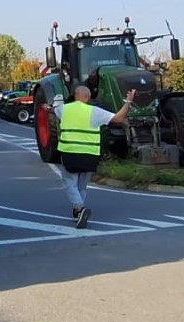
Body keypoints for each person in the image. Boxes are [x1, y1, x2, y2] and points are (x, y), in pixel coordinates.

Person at [51, 85, 136, 228]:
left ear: (75, 95)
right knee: (82, 186)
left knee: (69, 183)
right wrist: (128, 102)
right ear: (88, 97)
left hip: (69, 153)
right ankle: (78, 211)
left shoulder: (63, 109)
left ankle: (80, 208)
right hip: (90, 155)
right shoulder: (94, 111)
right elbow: (119, 118)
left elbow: (54, 110)